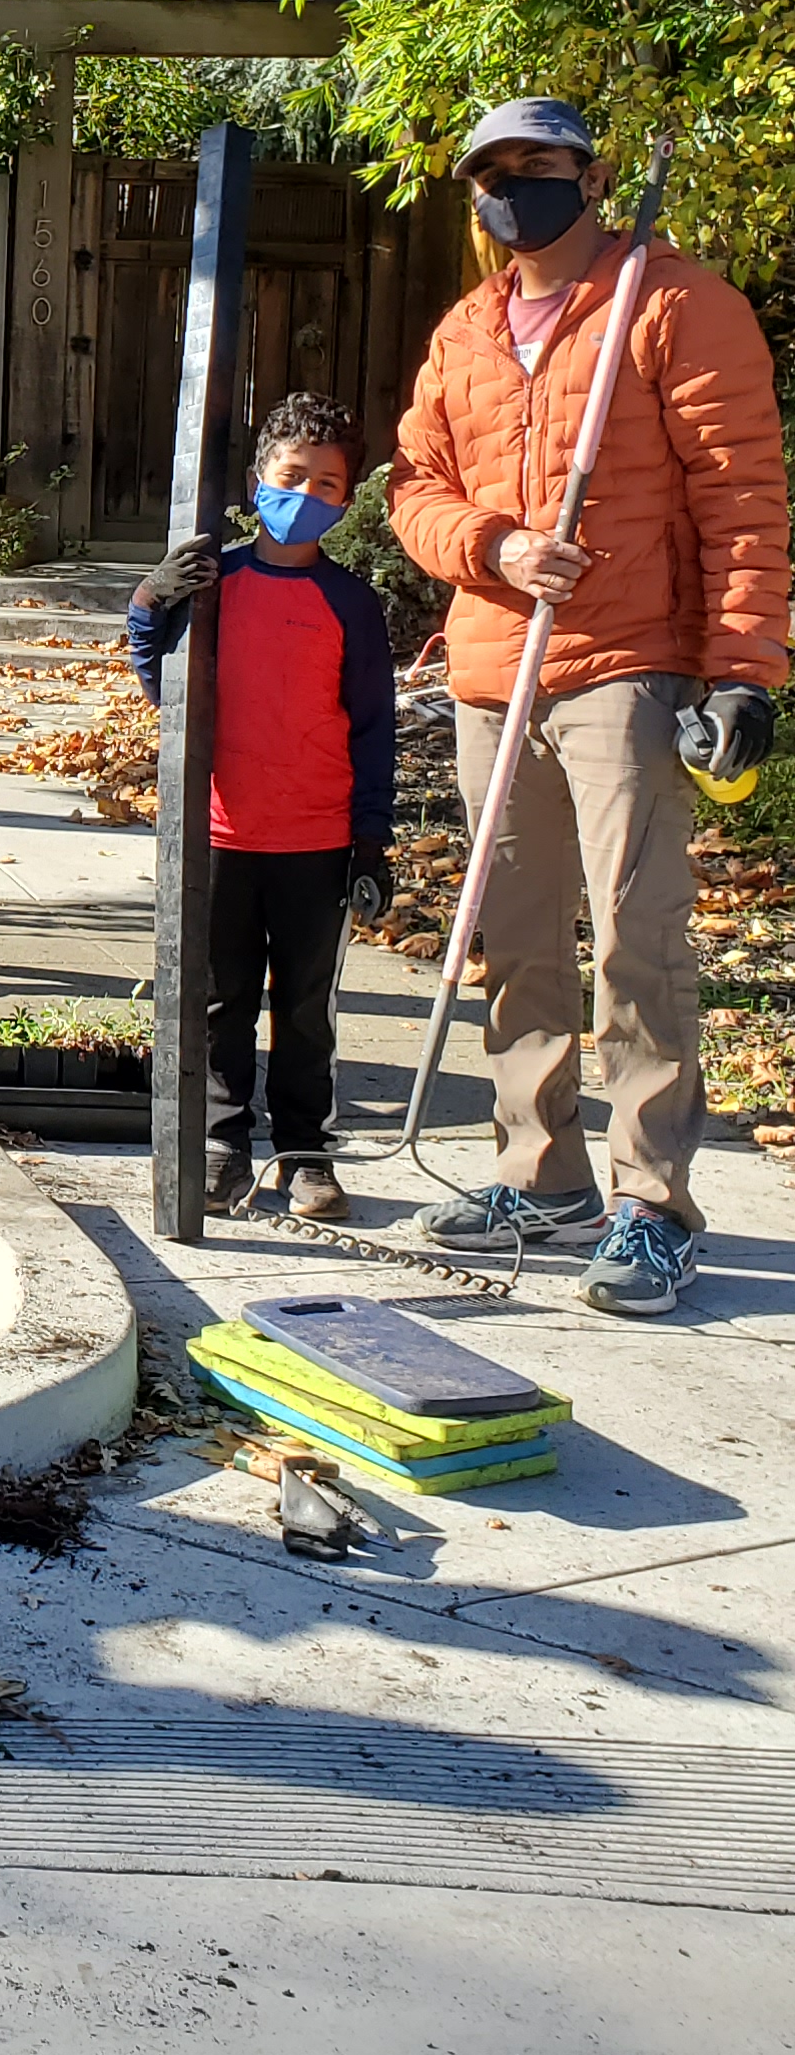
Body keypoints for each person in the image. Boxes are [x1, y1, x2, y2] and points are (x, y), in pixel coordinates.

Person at [389, 95, 790, 1315]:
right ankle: (540, 1170)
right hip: (494, 666)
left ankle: (652, 1204)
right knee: (513, 940)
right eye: (495, 171)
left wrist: (744, 668)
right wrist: (497, 548)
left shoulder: (674, 307)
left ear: (593, 175)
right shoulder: (463, 331)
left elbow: (744, 499)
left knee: (635, 938)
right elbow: (415, 491)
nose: (517, 186)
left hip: (629, 659)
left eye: (541, 165)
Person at [127, 394, 397, 1222]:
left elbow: (375, 726)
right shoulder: (217, 585)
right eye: (291, 477)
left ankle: (306, 1153)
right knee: (221, 1001)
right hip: (220, 835)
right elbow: (159, 683)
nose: (307, 495)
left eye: (327, 483)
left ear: (346, 500)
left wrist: (371, 840)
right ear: (257, 481)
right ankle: (222, 1144)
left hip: (316, 839)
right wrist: (150, 601)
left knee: (306, 1007)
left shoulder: (351, 604)